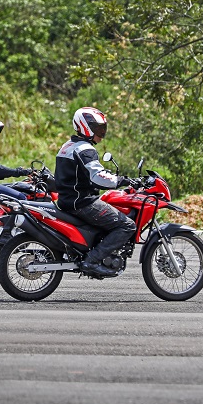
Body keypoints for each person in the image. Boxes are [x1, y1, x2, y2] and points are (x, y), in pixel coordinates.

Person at [54, 107, 137, 278]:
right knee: (127, 225)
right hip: (82, 202)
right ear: (84, 126)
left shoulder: (68, 146)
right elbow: (97, 176)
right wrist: (120, 180)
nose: (101, 131)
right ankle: (91, 261)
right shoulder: (85, 149)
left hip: (67, 200)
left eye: (102, 127)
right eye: (97, 127)